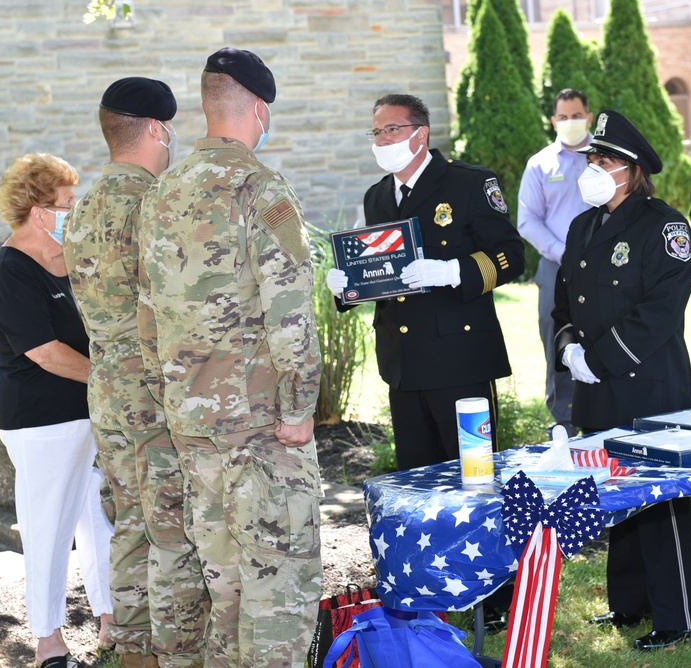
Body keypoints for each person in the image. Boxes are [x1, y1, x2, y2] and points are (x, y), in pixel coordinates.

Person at [137, 47, 323, 667]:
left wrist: (174, 397)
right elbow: (291, 312)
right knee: (279, 585)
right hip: (263, 427)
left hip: (193, 425)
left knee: (226, 588)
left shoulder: (163, 192)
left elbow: (147, 316)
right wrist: (299, 410)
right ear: (260, 110)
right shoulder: (260, 187)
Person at [63, 78, 208, 667]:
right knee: (173, 533)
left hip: (108, 391)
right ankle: (177, 656)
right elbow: (176, 309)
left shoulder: (85, 207)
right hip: (155, 392)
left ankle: (134, 654)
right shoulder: (157, 202)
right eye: (170, 129)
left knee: (129, 526)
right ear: (156, 129)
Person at [552, 110, 691, 650]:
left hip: (648, 384)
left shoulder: (664, 227)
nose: (593, 166)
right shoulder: (581, 226)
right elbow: (563, 304)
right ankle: (628, 605)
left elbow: (661, 309)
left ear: (633, 169)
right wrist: (570, 348)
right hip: (596, 385)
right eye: (590, 158)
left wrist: (603, 357)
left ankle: (679, 616)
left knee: (659, 500)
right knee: (617, 492)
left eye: (606, 159)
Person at [326, 93, 525, 471]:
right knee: (417, 479)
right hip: (403, 363)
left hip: (459, 362)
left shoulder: (470, 183)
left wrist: (452, 271)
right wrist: (347, 290)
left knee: (474, 474)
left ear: (420, 135)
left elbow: (511, 256)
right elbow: (381, 268)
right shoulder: (378, 196)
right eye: (376, 131)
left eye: (391, 129)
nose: (381, 139)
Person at [0, 153, 114, 668]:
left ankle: (110, 620)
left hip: (84, 414)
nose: (74, 209)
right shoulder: (10, 270)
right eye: (66, 202)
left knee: (94, 521)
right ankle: (48, 643)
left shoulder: (66, 258)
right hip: (41, 422)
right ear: (39, 212)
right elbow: (45, 352)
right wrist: (110, 379)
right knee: (48, 530)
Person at [517, 88, 594, 438]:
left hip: (608, 268)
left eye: (576, 116)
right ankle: (563, 420)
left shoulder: (605, 158)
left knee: (607, 335)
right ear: (553, 121)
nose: (570, 122)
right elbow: (528, 219)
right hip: (556, 266)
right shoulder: (540, 164)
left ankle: (603, 413)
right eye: (563, 117)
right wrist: (563, 251)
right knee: (558, 340)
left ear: (588, 117)